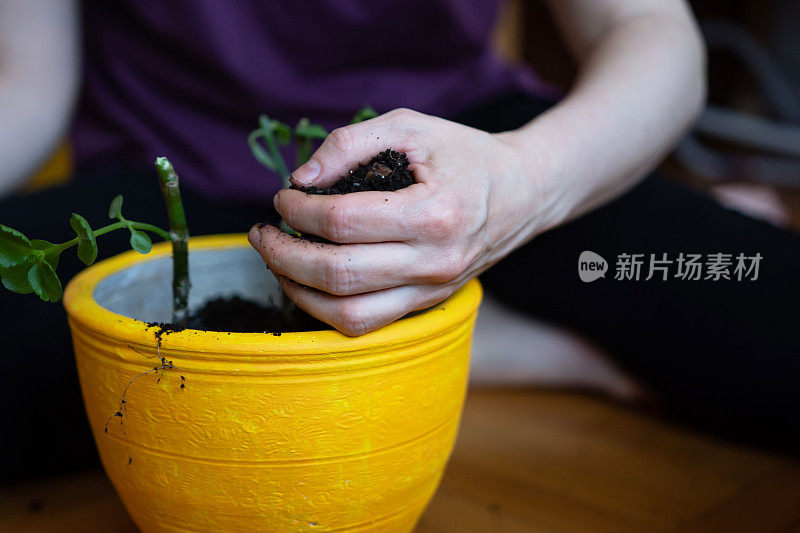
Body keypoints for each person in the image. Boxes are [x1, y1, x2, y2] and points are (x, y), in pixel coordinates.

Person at [0, 0, 797, 481]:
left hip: (458, 158)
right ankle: (479, 339)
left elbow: (652, 35)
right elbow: (26, 84)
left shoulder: (486, 170)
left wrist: (522, 178)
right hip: (166, 183)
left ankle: (438, 322)